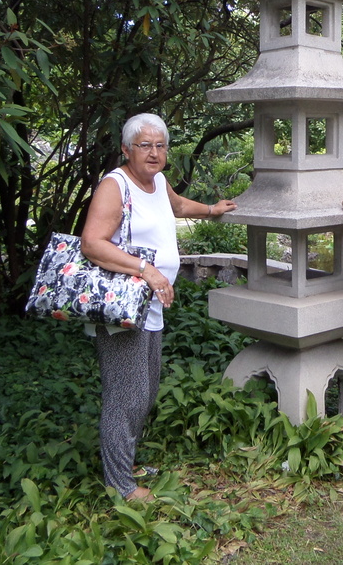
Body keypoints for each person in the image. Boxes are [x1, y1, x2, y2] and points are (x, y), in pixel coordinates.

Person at [80, 113, 237, 501]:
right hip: (122, 306)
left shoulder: (158, 182)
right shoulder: (115, 186)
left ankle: (124, 462)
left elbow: (178, 206)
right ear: (126, 149)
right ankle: (120, 487)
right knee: (126, 396)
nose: (154, 153)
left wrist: (212, 210)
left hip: (150, 306)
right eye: (145, 145)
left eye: (160, 145)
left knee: (145, 391)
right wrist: (147, 270)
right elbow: (92, 243)